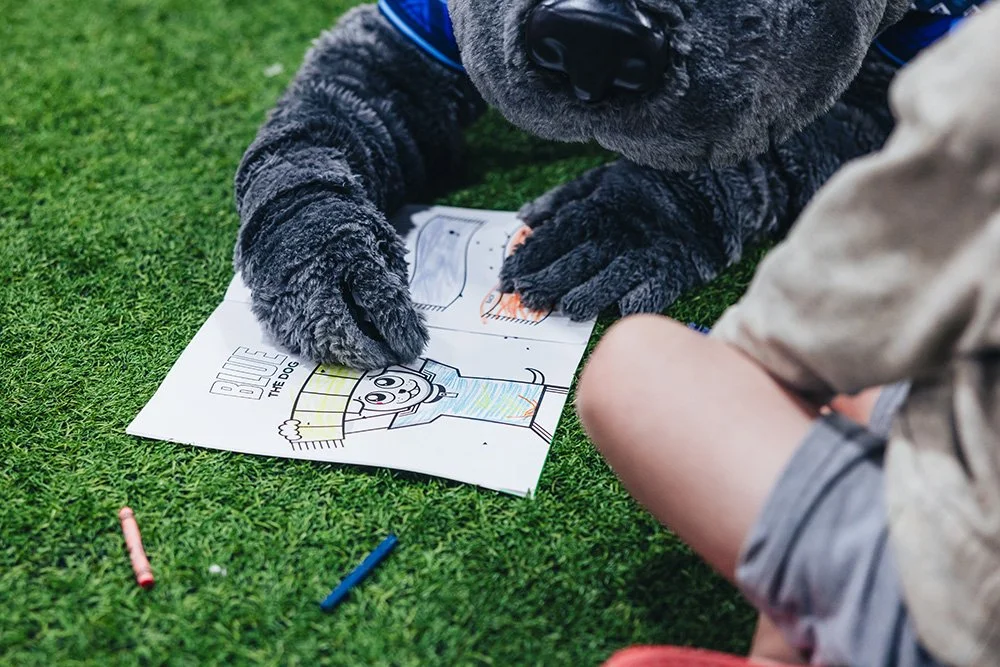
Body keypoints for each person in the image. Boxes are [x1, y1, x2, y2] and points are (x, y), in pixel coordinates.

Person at [576, 3, 1000, 665]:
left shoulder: (986, 75)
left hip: (965, 618)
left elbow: (802, 333)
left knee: (633, 365)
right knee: (883, 379)